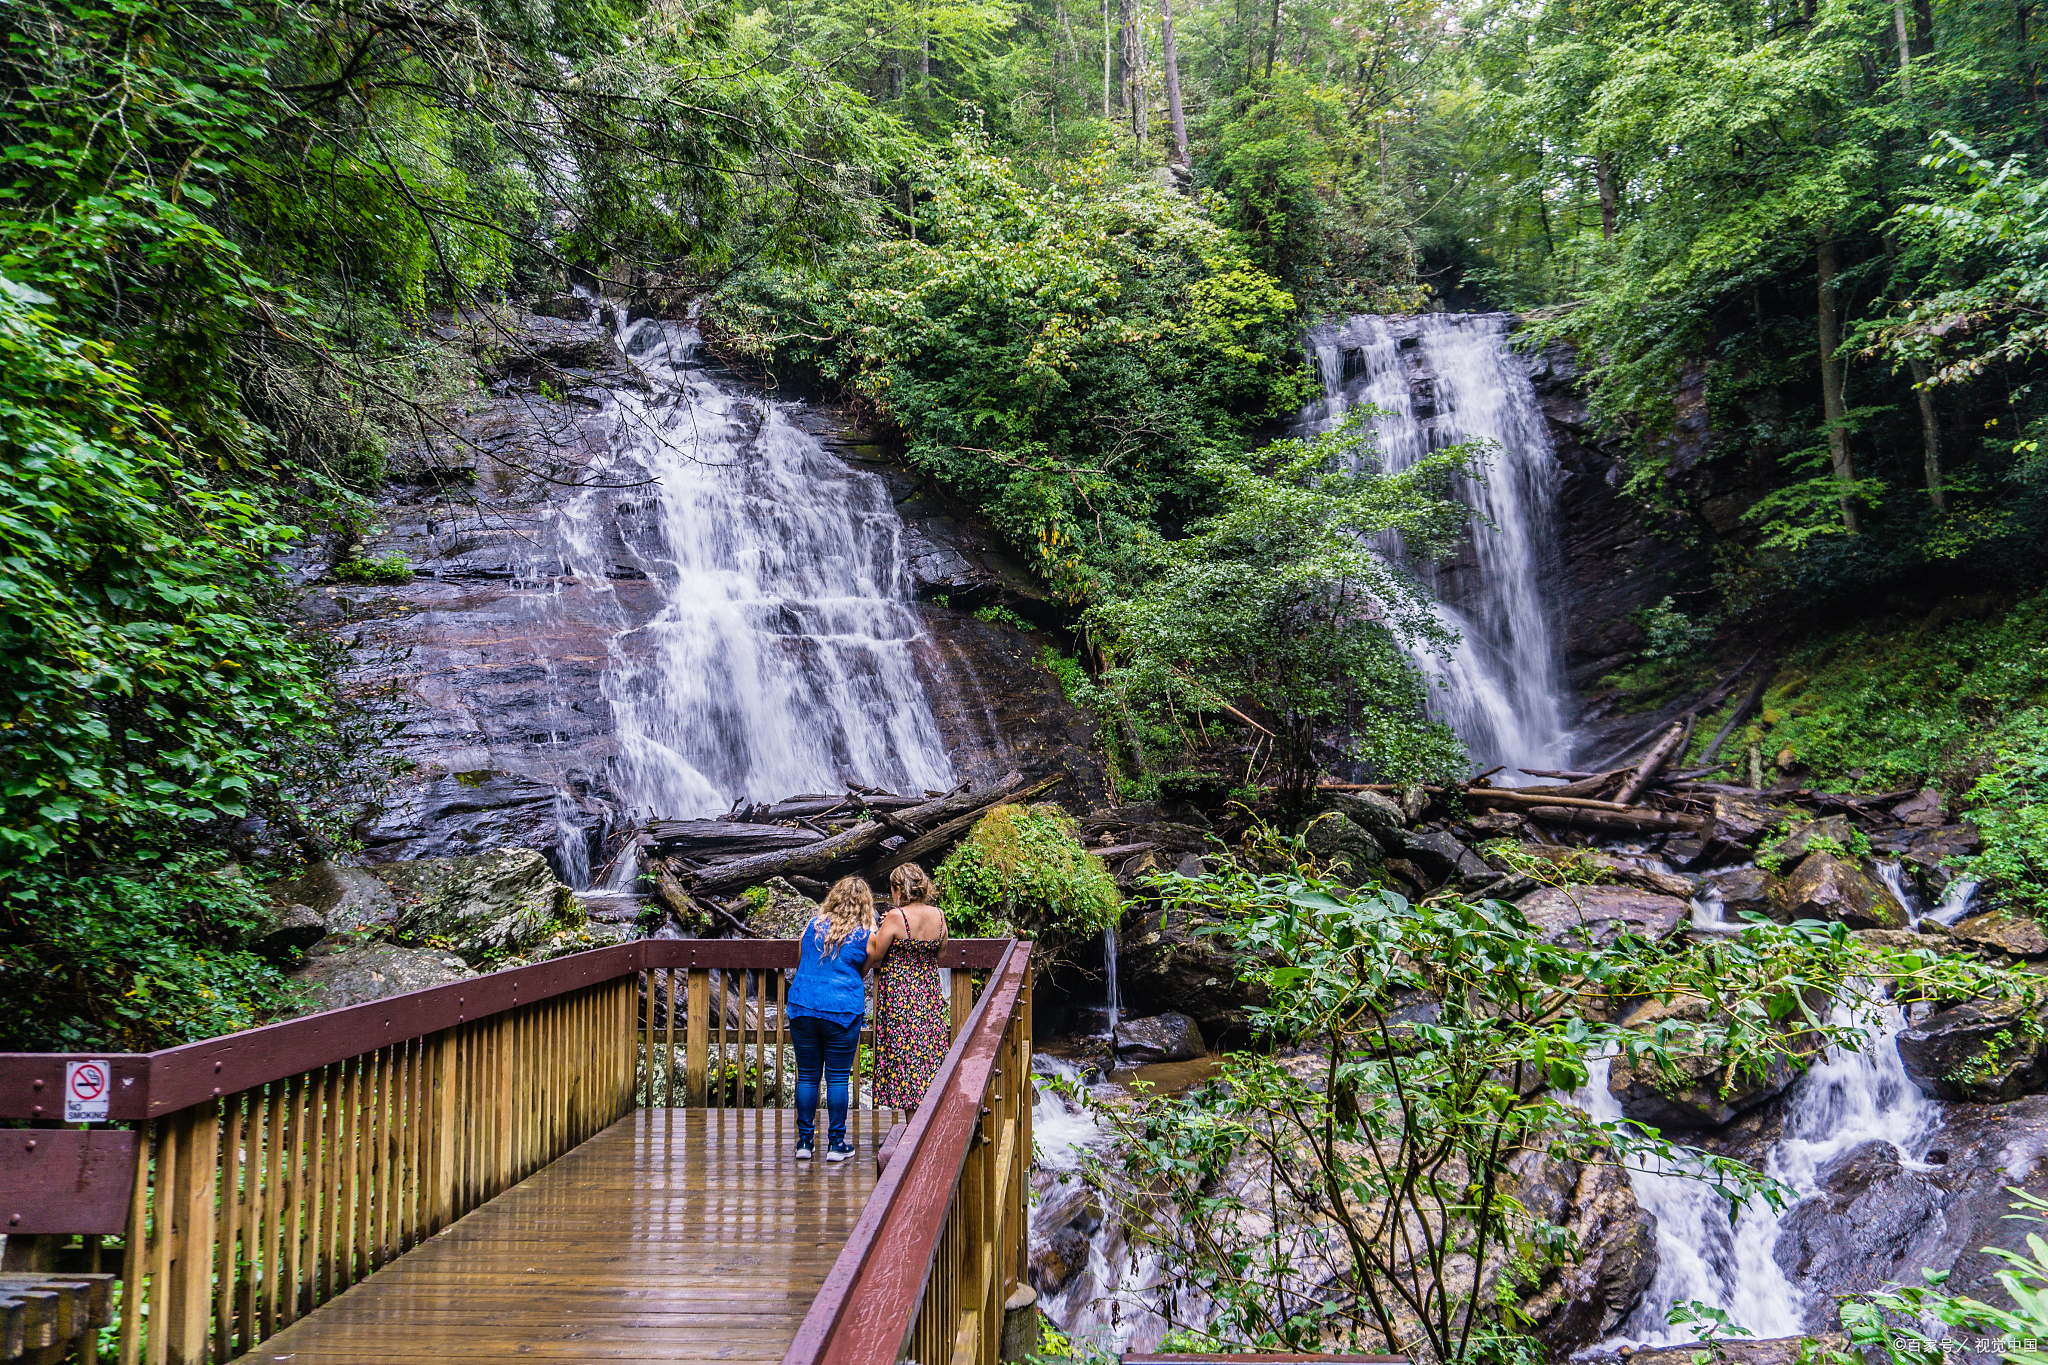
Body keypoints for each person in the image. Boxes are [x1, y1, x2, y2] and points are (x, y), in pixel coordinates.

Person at [786, 875, 875, 1163]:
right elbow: (863, 970)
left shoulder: (813, 925)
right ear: (865, 904)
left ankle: (804, 1141)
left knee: (809, 1076)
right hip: (841, 1009)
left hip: (803, 1004)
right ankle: (836, 1144)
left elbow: (802, 959)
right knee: (838, 1078)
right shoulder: (866, 935)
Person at [868, 863, 950, 1115]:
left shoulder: (896, 916)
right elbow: (941, 953)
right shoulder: (939, 914)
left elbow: (876, 952)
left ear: (898, 890)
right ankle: (927, 1125)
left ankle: (913, 1132)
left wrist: (873, 929)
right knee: (927, 1057)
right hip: (928, 994)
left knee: (906, 1061)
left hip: (901, 997)